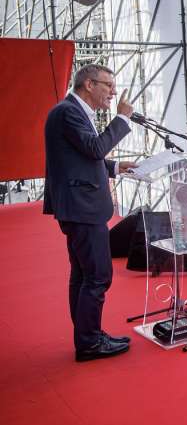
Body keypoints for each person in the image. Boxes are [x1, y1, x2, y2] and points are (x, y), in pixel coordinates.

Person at [44, 64, 136, 362]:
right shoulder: (68, 111)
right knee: (97, 276)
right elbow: (95, 148)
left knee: (83, 275)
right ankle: (89, 343)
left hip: (79, 205)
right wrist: (122, 118)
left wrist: (113, 167)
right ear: (88, 84)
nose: (112, 91)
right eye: (108, 85)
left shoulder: (72, 111)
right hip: (82, 208)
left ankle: (89, 335)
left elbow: (81, 156)